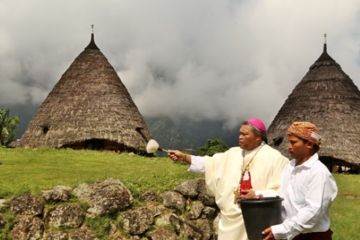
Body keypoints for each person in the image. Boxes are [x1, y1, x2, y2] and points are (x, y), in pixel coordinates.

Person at [168, 118, 288, 240]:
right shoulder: (233, 153)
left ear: (258, 137)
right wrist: (184, 157)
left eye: (245, 134)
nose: (240, 137)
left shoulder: (275, 159)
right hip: (229, 221)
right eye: (240, 133)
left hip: (256, 219)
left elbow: (283, 191)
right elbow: (208, 163)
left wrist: (257, 194)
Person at [262, 121, 338, 240]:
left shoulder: (318, 173)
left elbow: (313, 212)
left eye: (293, 142)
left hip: (311, 237)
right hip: (291, 234)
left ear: (309, 144)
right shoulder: (290, 167)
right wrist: (258, 194)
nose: (289, 146)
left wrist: (282, 230)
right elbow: (282, 194)